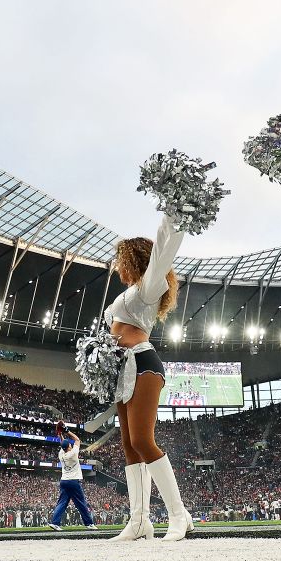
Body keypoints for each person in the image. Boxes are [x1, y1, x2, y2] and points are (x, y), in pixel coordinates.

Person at [101, 214, 193, 542]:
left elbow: (165, 248)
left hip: (143, 363)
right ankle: (139, 521)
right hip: (122, 367)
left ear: (134, 260)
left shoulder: (148, 286)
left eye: (120, 260)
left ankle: (178, 515)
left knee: (142, 440)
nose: (116, 266)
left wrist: (175, 212)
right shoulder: (130, 293)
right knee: (128, 445)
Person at [48, 431, 96, 530]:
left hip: (64, 481)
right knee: (81, 503)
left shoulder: (61, 454)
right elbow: (77, 439)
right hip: (73, 481)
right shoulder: (73, 453)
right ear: (69, 447)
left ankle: (55, 522)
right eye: (70, 444)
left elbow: (63, 444)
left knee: (62, 503)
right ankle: (89, 523)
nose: (71, 444)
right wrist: (67, 430)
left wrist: (60, 434)